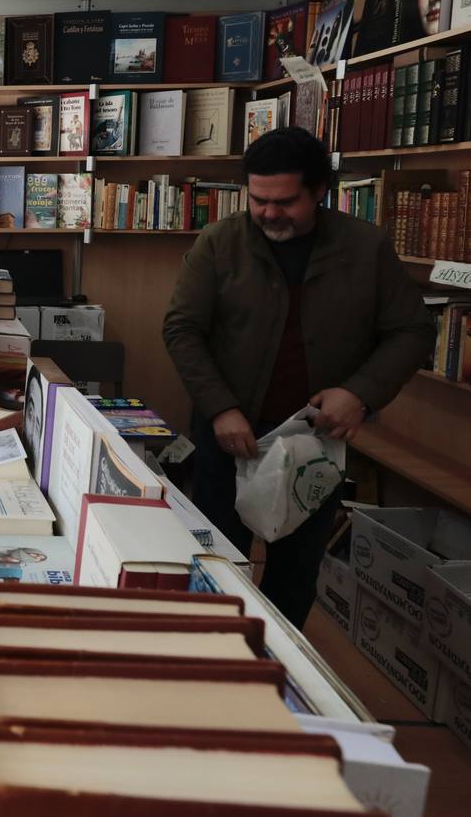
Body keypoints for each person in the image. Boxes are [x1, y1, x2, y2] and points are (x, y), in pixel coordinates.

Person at [162, 127, 433, 628]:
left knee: (294, 574)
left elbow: (412, 331)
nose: (268, 213)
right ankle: (210, 664)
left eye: (285, 202)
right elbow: (182, 330)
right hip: (228, 436)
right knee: (218, 566)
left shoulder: (365, 247)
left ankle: (274, 676)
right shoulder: (220, 242)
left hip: (315, 443)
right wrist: (219, 407)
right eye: (258, 200)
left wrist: (360, 394)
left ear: (319, 193)